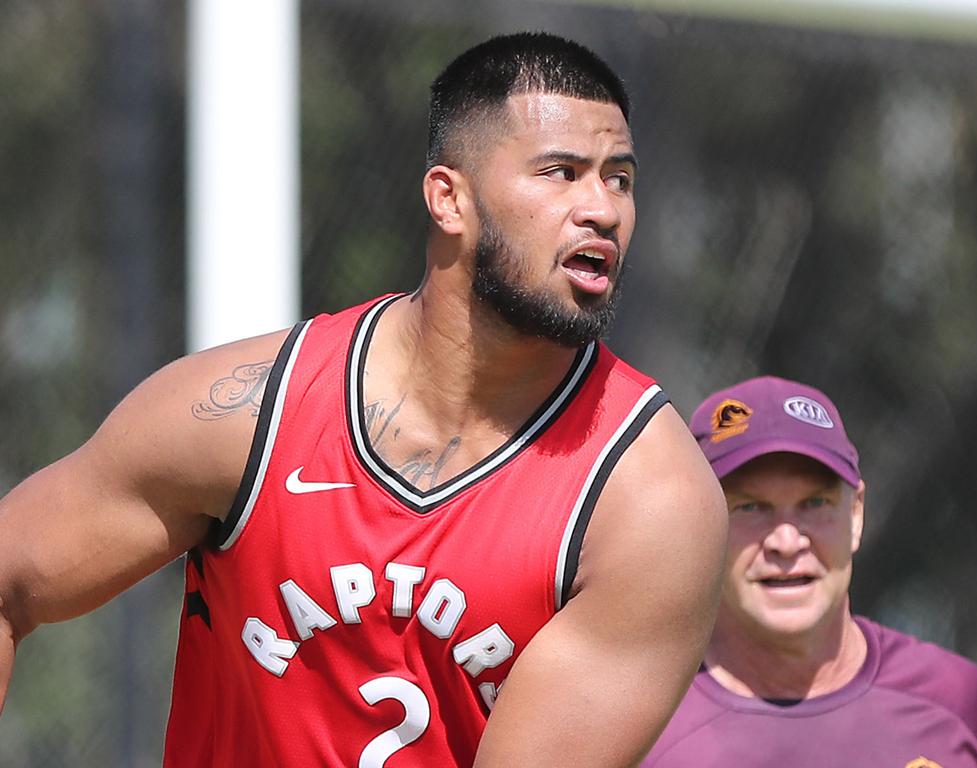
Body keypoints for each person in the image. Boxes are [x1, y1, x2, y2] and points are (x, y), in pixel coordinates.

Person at [0, 32, 728, 767]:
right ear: (449, 198)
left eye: (620, 179)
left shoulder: (648, 500)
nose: (601, 208)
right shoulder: (248, 413)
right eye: (562, 173)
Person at [642, 375, 977, 767]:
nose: (786, 542)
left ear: (856, 514)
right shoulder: (636, 729)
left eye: (815, 503)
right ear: (699, 523)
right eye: (750, 507)